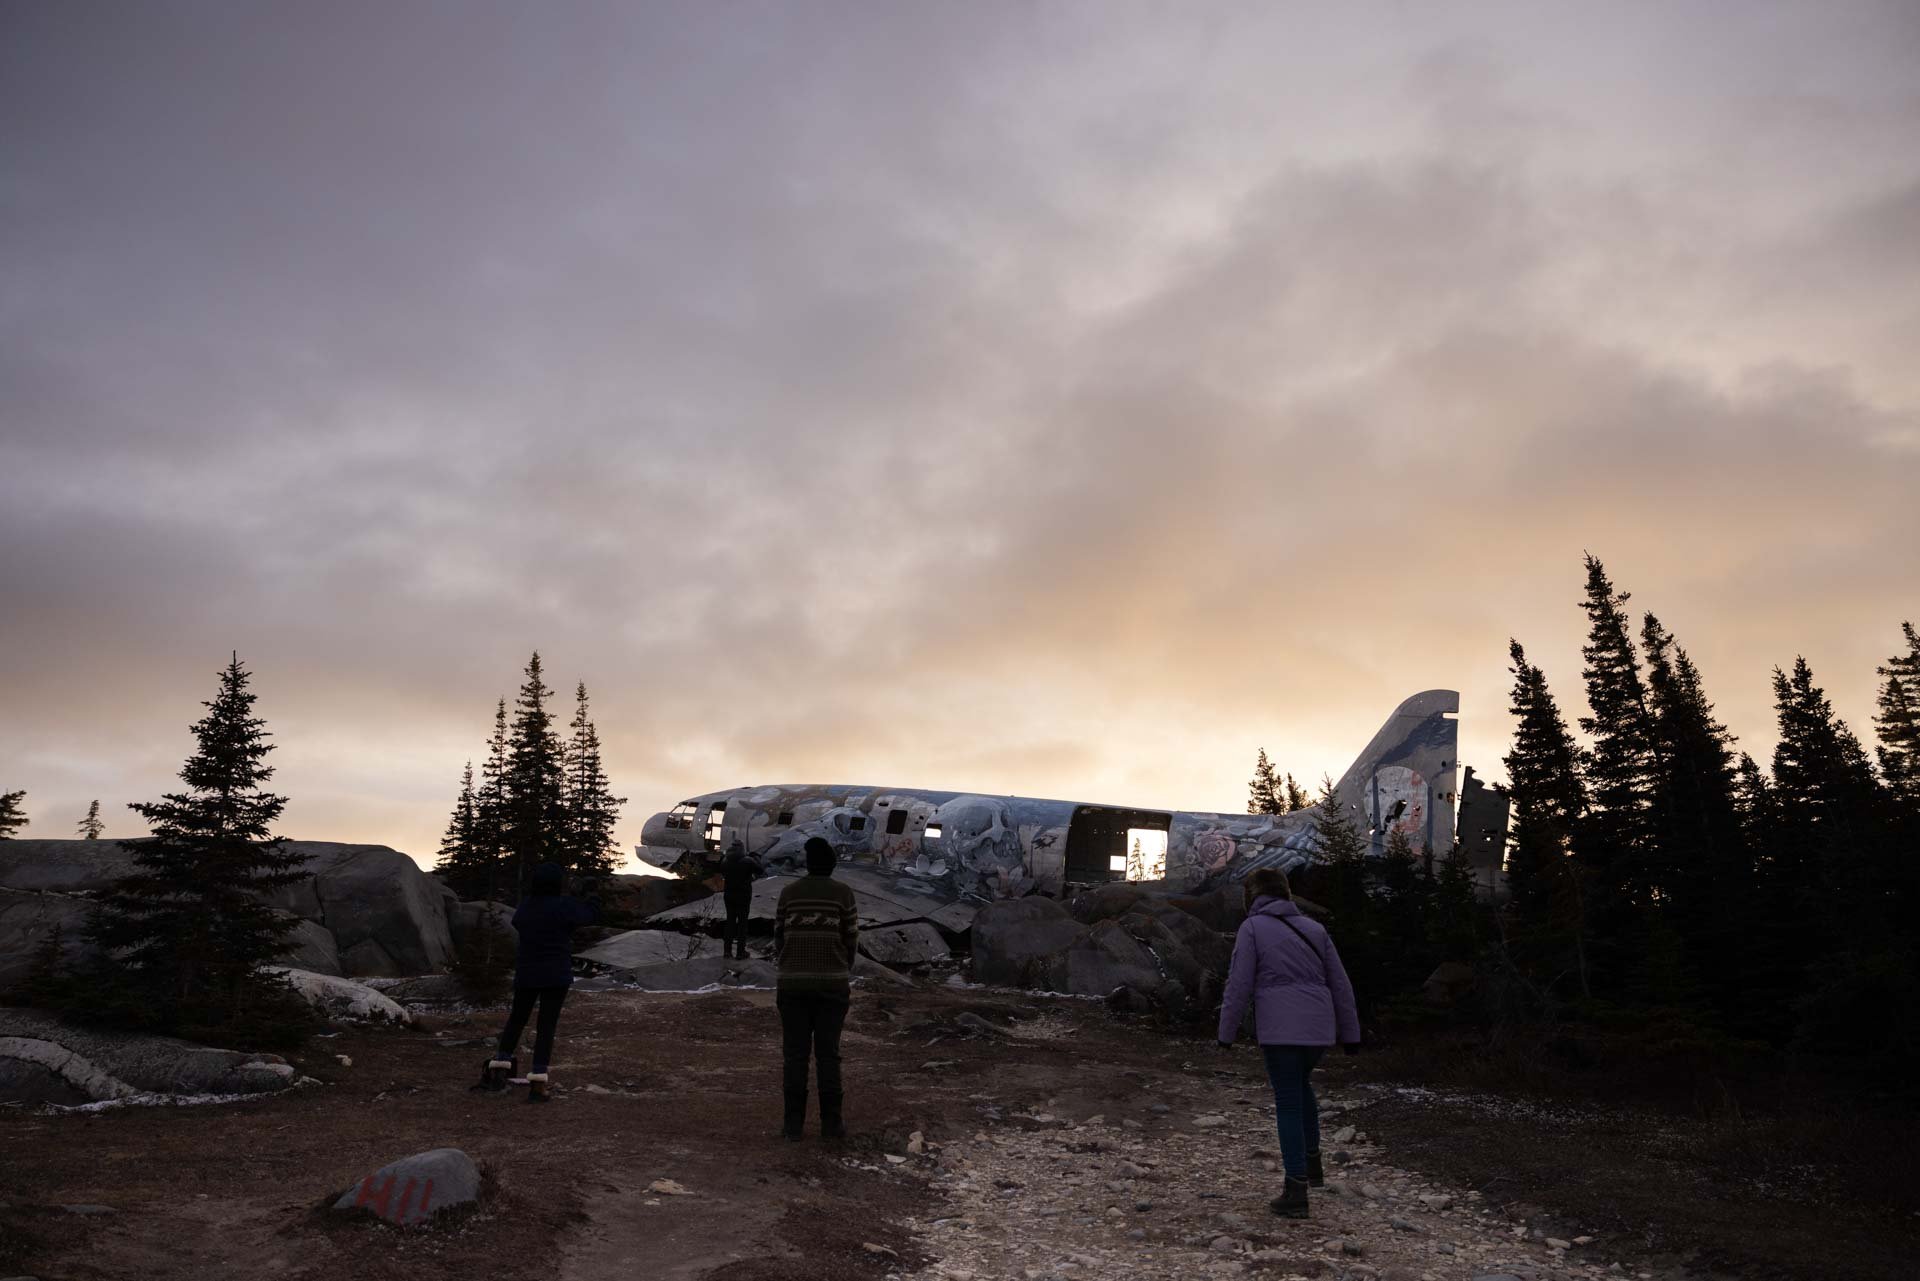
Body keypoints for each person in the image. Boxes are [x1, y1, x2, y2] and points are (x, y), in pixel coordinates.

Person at [1216, 866, 1360, 1219]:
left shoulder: (1252, 928)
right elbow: (1340, 984)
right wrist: (1351, 1033)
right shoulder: (1315, 929)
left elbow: (1239, 984)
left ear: (1252, 896)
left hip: (1281, 1029)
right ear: (1285, 893)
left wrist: (1226, 1032)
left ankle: (1295, 1190)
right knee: (1301, 1085)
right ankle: (1313, 1167)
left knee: (1288, 1101)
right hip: (1318, 1030)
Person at [482, 861, 598, 1103]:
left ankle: (499, 1071)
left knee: (517, 1019)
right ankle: (537, 1083)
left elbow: (517, 922)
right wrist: (589, 896)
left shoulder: (527, 906)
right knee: (546, 1026)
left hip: (527, 972)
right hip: (556, 975)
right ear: (558, 883)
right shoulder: (564, 906)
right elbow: (589, 915)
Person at [773, 836, 859, 1140]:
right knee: (828, 1054)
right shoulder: (843, 894)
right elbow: (851, 938)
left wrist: (789, 964)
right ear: (833, 865)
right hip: (832, 985)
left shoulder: (788, 893)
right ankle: (832, 1124)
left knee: (795, 1055)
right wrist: (841, 968)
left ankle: (792, 1125)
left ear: (806, 864)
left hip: (792, 984)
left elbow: (779, 935)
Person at [722, 836, 763, 960]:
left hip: (728, 895)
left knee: (730, 922)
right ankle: (740, 952)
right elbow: (760, 871)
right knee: (742, 924)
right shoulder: (747, 861)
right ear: (742, 848)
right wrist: (756, 857)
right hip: (743, 896)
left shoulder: (725, 860)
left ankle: (727, 952)